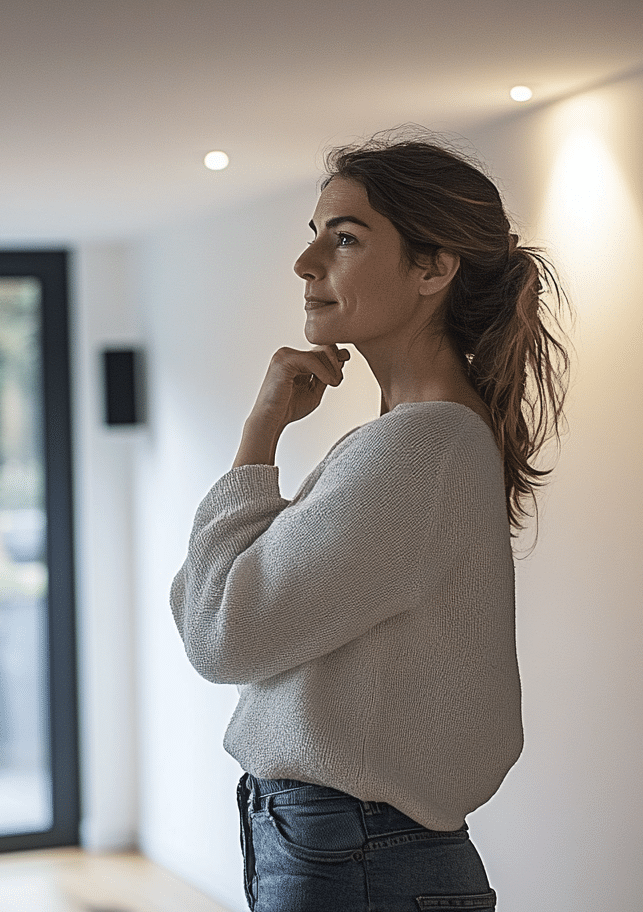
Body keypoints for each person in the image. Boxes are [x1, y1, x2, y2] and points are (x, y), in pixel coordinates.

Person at [170, 131, 568, 912]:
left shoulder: (424, 446)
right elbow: (219, 614)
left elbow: (219, 633)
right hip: (349, 849)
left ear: (434, 267)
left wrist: (259, 433)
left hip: (355, 855)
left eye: (344, 238)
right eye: (314, 235)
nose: (306, 264)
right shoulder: (416, 440)